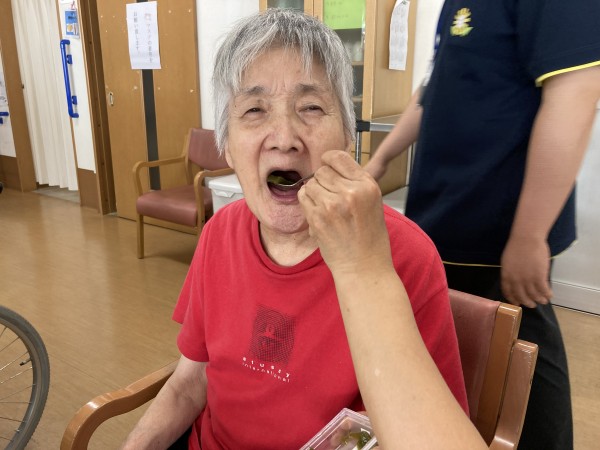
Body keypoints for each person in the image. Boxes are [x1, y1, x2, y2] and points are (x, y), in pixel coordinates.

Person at [121, 8, 486, 450]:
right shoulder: (219, 233)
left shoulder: (405, 255)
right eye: (254, 110)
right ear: (228, 149)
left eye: (311, 107)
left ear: (346, 139)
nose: (284, 137)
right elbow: (189, 382)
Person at [365, 2, 600, 449]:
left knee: (522, 364)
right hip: (442, 221)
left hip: (496, 233)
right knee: (457, 361)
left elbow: (576, 93)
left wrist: (530, 235)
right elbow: (431, 90)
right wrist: (380, 160)